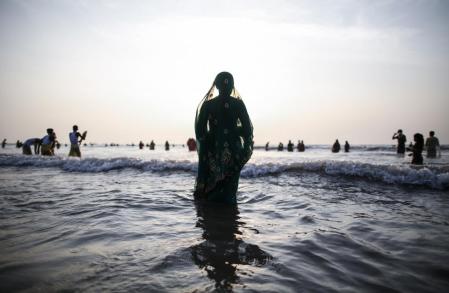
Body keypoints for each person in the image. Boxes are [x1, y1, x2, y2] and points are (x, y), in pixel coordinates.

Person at [194, 72, 253, 204]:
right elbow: (248, 130)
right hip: (234, 151)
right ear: (232, 86)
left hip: (212, 150)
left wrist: (208, 143)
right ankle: (228, 209)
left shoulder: (208, 105)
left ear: (217, 86)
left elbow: (200, 131)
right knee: (230, 186)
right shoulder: (238, 104)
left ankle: (212, 212)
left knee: (212, 185)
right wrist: (234, 132)